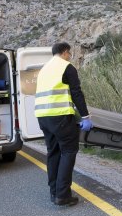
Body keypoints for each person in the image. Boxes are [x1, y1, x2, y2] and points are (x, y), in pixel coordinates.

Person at [34, 42, 93, 206]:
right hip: (60, 117)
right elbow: (76, 92)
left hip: (42, 117)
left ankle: (54, 192)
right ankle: (63, 195)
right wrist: (85, 116)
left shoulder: (44, 70)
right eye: (70, 54)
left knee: (53, 153)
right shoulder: (66, 67)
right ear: (65, 52)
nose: (70, 57)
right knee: (69, 150)